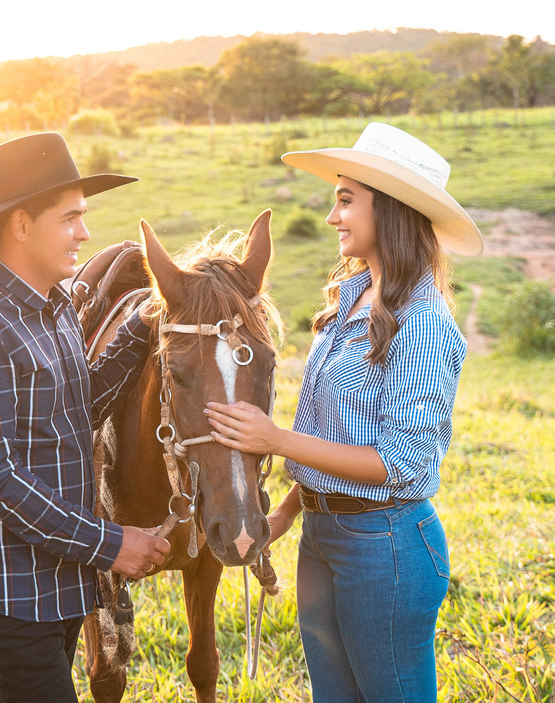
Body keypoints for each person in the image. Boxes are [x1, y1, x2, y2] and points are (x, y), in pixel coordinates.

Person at [204, 123, 484, 702]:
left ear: (393, 212)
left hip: (384, 547)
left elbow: (403, 461)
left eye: (346, 200)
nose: (333, 217)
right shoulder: (353, 297)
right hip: (323, 535)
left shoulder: (424, 324)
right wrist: (284, 514)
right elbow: (330, 433)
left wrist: (276, 440)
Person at [0, 132, 171, 703]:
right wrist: (111, 544)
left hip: (58, 583)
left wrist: (139, 326)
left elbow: (73, 413)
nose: (85, 232)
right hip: (7, 596)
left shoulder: (55, 308)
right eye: (70, 218)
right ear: (21, 226)